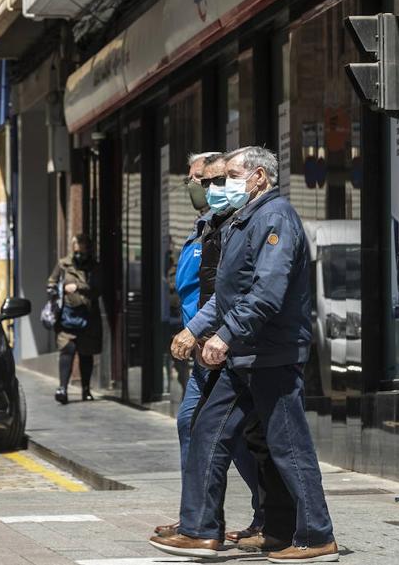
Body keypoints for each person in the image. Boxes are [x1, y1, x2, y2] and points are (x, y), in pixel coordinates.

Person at [150, 147, 337, 563]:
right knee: (206, 433)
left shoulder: (275, 218)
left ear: (258, 177)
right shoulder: (241, 222)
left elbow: (267, 293)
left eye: (231, 175)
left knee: (288, 446)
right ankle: (201, 532)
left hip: (270, 354)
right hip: (244, 357)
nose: (222, 184)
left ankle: (316, 536)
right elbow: (225, 296)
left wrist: (226, 336)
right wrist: (195, 329)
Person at [156, 152, 265, 541]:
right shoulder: (206, 225)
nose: (200, 189)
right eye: (197, 182)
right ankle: (197, 518)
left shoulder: (241, 224)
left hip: (224, 345)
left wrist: (214, 334)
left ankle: (217, 522)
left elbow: (242, 292)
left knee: (228, 433)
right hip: (205, 342)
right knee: (206, 428)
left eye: (204, 181)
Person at [47, 234, 102, 404]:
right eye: (76, 247)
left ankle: (86, 389)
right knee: (67, 349)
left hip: (88, 317)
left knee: (86, 353)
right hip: (67, 316)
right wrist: (57, 291)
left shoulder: (94, 267)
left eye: (82, 247)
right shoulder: (63, 264)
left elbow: (97, 289)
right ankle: (62, 388)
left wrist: (78, 287)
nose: (78, 251)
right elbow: (51, 282)